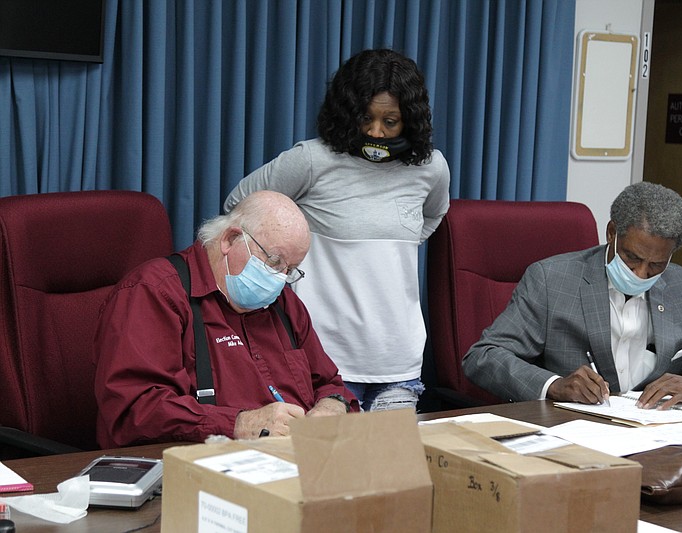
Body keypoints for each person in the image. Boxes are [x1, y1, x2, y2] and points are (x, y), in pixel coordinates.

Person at [224, 49, 450, 411]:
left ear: (410, 120)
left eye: (390, 121)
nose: (376, 132)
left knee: (390, 467)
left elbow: (433, 216)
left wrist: (389, 249)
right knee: (324, 467)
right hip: (324, 360)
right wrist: (280, 260)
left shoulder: (431, 168)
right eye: (366, 118)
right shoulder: (312, 159)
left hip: (398, 360)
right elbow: (239, 206)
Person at [93, 191, 358, 448]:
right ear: (230, 240)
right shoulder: (155, 292)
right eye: (274, 262)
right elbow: (136, 410)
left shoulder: (283, 304)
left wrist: (333, 406)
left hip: (293, 462)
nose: (279, 278)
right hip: (197, 468)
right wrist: (239, 424)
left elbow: (328, 383)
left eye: (290, 270)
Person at [462, 181, 682, 410]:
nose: (640, 273)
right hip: (572, 436)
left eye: (656, 266)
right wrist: (554, 385)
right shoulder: (551, 280)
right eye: (631, 258)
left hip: (659, 437)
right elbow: (483, 357)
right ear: (612, 233)